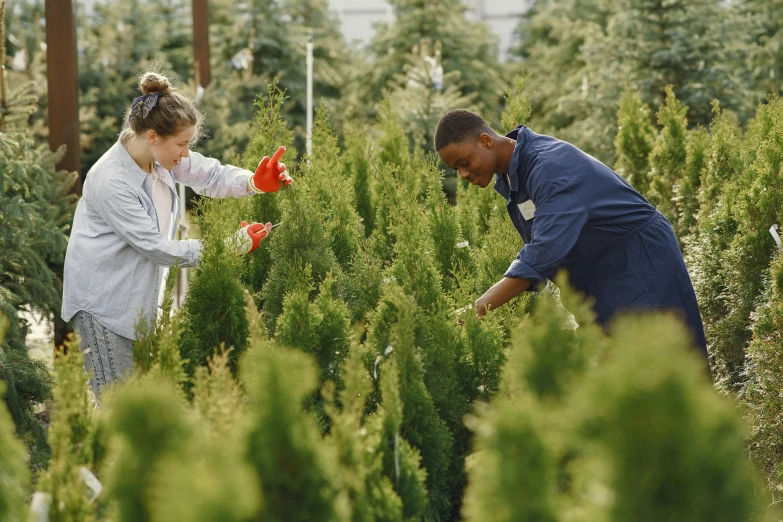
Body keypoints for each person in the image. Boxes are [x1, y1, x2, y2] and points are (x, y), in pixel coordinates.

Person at [62, 72, 293, 398]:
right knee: (116, 410)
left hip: (137, 302)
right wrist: (227, 248)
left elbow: (210, 174)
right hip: (103, 307)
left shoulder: (160, 159)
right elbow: (156, 247)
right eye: (182, 145)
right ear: (153, 136)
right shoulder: (111, 180)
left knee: (140, 408)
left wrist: (253, 182)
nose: (186, 154)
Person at [435, 109, 708, 359]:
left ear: (485, 141)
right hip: (604, 277)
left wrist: (478, 308)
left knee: (663, 372)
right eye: (455, 168)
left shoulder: (549, 168)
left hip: (640, 264)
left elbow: (543, 252)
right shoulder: (513, 177)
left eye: (464, 162)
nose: (462, 174)